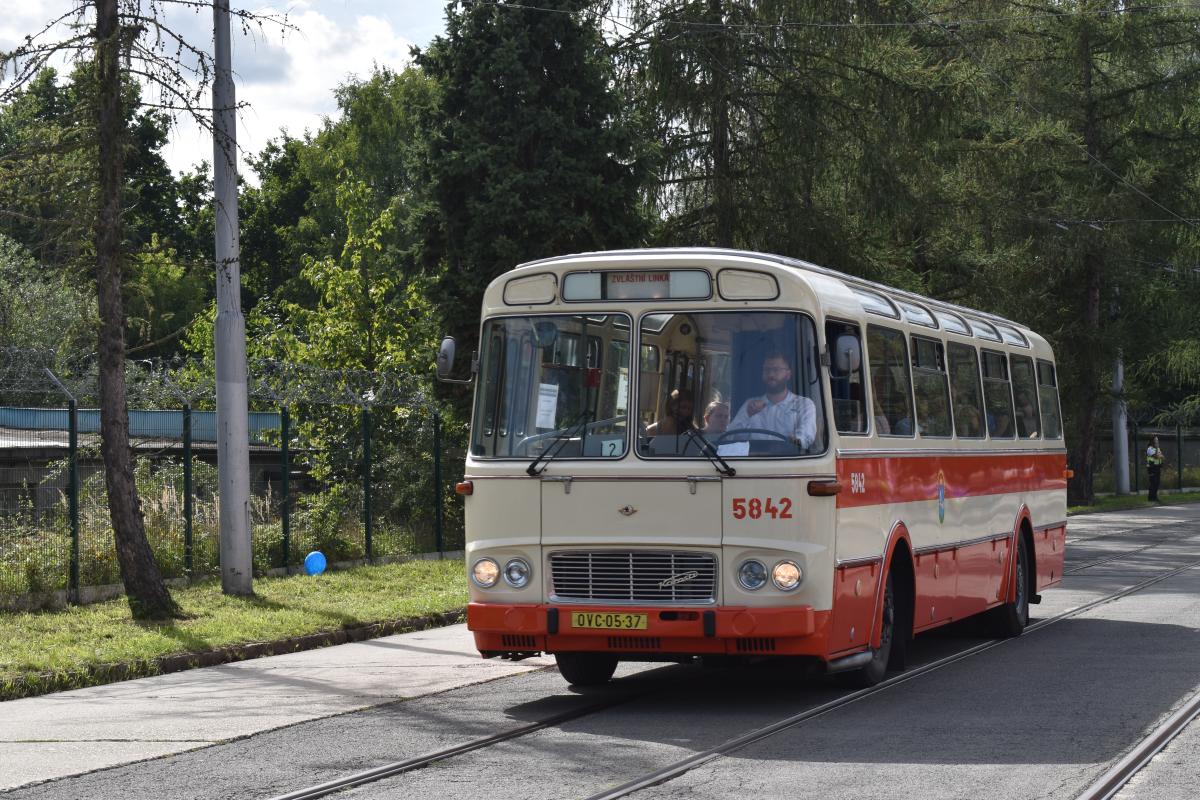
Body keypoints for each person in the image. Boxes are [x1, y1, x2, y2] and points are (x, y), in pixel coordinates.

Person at [727, 352, 817, 448]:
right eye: (767, 369)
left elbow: (806, 434)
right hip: (754, 460)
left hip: (789, 460)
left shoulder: (803, 404)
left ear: (788, 374)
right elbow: (730, 437)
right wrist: (747, 415)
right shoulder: (750, 405)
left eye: (776, 369)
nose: (770, 374)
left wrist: (796, 441)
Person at [1147, 435, 1165, 502]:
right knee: (1153, 483)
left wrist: (1159, 454)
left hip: (1157, 467)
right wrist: (1158, 454)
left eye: (1157, 440)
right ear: (1152, 441)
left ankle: (1155, 497)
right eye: (1156, 440)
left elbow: (1163, 457)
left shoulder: (1157, 449)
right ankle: (1151, 498)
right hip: (1152, 468)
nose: (1157, 442)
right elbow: (1156, 456)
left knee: (1157, 483)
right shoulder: (1150, 449)